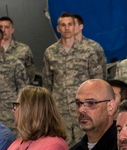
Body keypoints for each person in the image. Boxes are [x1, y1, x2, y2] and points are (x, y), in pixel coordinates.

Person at [43, 12, 107, 141]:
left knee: (86, 143)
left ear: (75, 27)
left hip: (84, 108)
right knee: (60, 144)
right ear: (58, 28)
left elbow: (98, 80)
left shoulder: (88, 50)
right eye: (63, 25)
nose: (67, 28)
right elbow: (47, 82)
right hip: (60, 110)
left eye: (70, 24)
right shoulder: (50, 52)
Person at [0, 15, 36, 83]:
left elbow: (30, 74)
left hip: (16, 92)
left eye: (7, 27)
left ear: (12, 30)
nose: (3, 30)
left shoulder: (23, 49)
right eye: (0, 27)